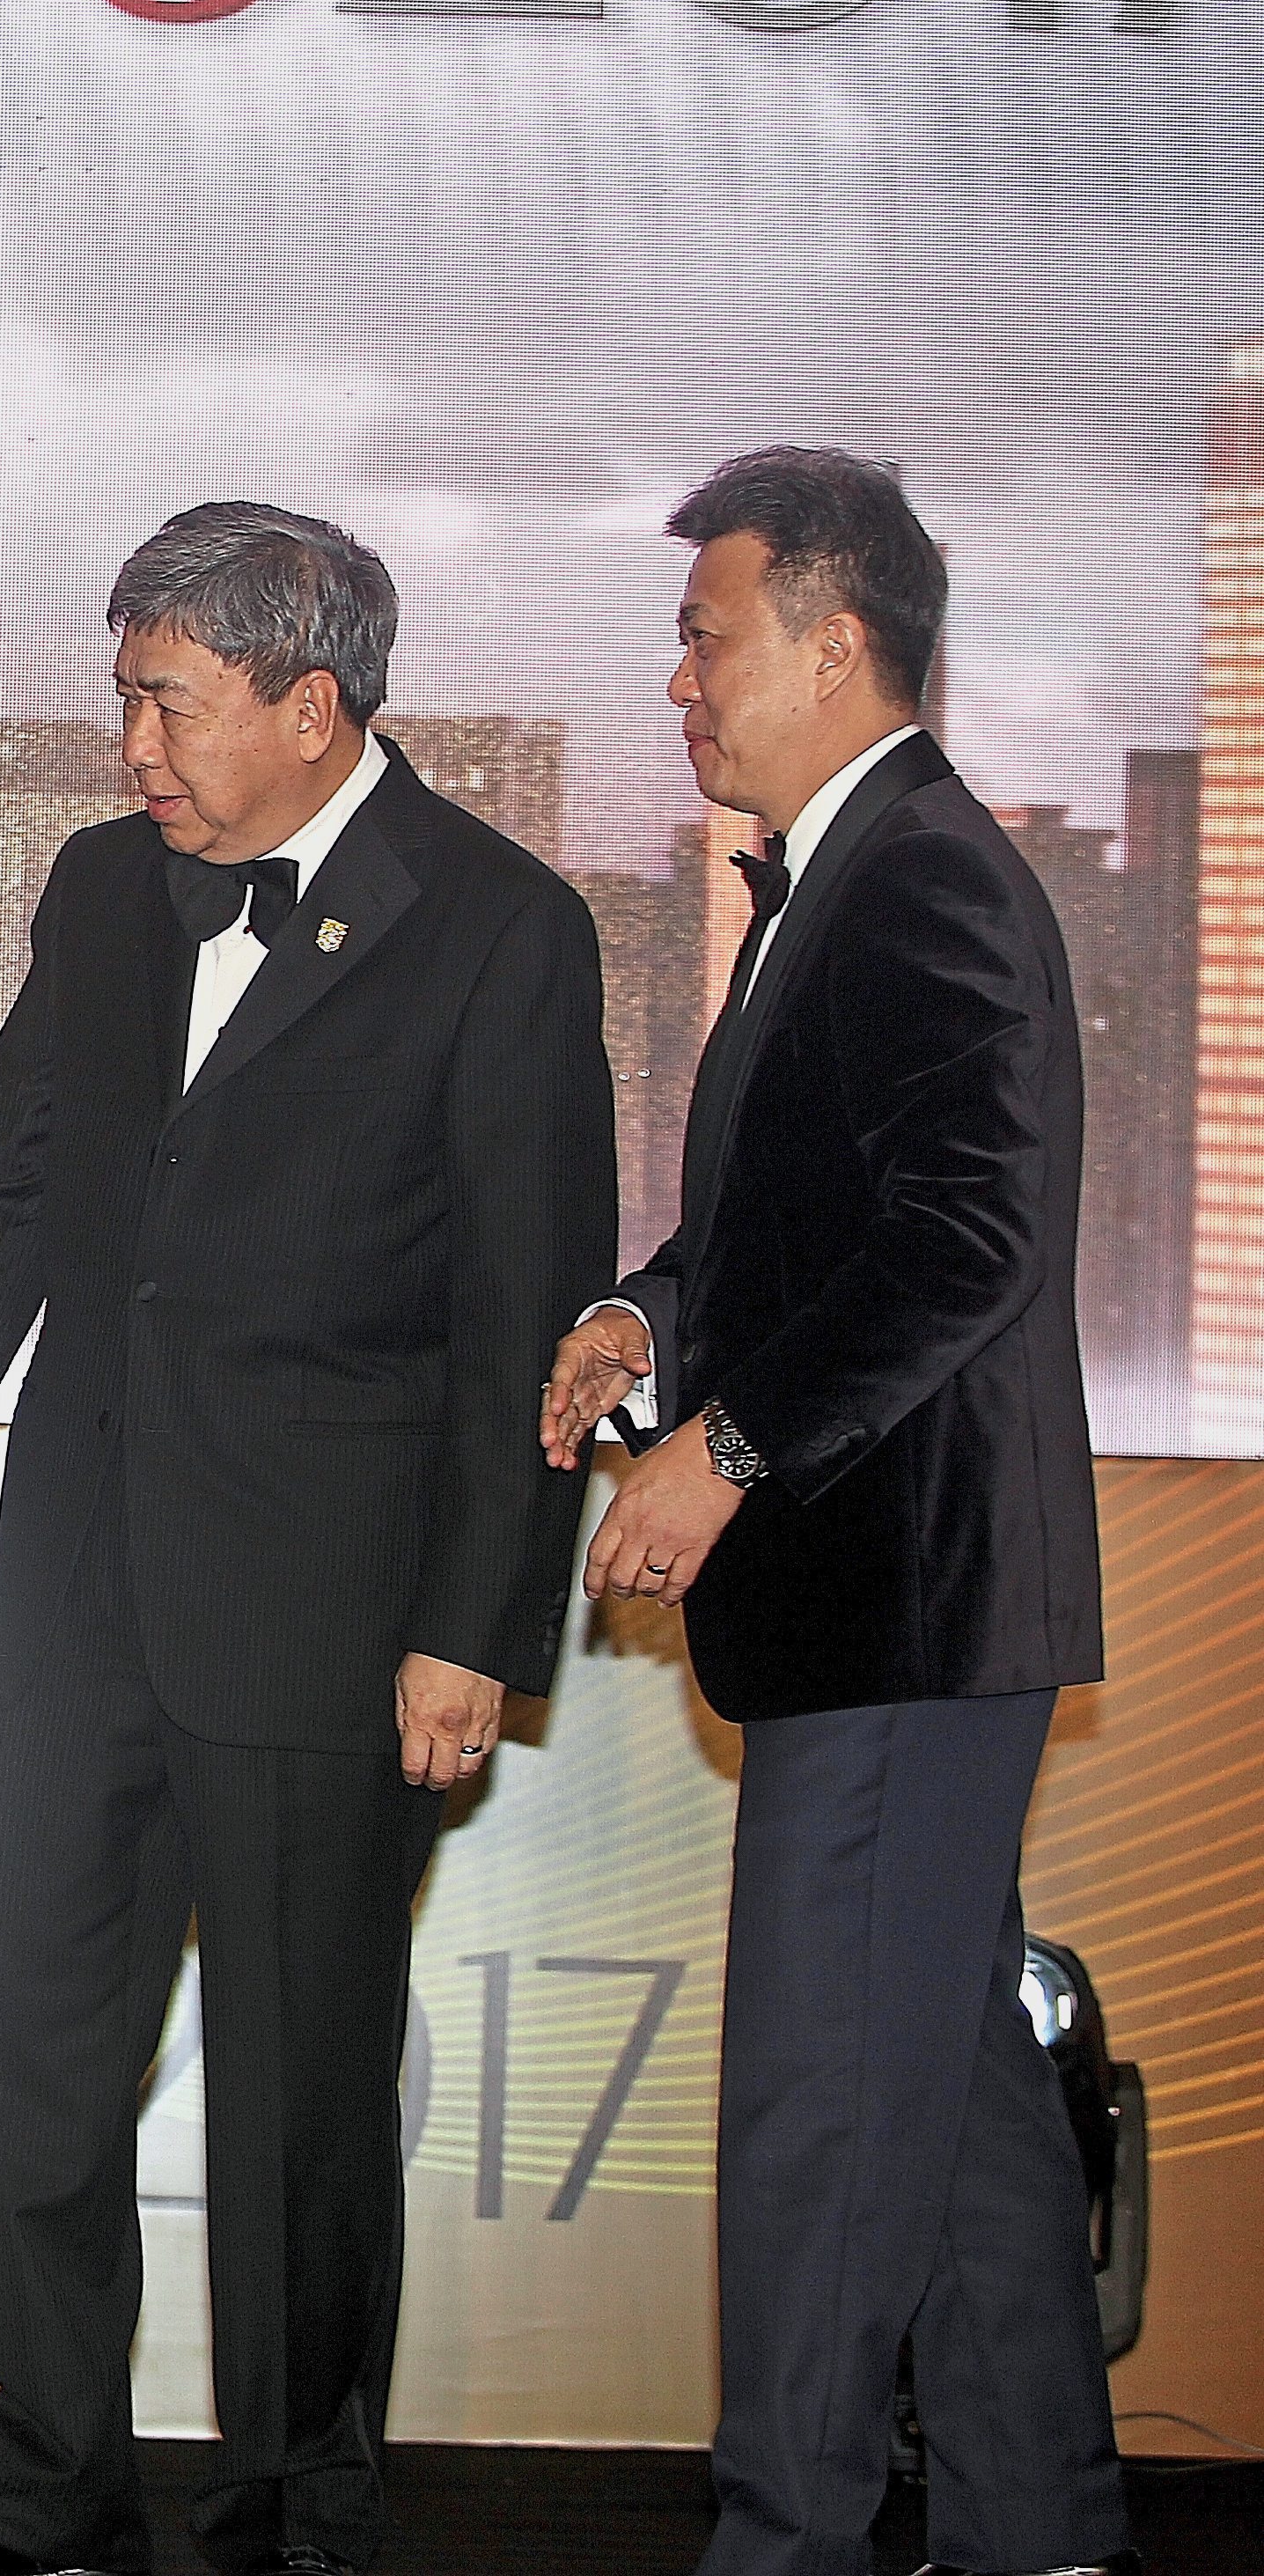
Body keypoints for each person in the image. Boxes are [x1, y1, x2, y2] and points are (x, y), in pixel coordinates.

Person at [0, 505, 614, 2576]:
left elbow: (525, 1317)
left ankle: (296, 2501)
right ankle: (50, 2478)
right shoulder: (103, 892)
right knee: (39, 2060)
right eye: (124, 703)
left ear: (309, 700)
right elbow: (6, 1183)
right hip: (84, 1584)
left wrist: (476, 1627)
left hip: (330, 1614)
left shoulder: (501, 926)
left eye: (167, 705)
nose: (135, 752)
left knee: (298, 2106)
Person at [541, 448, 1135, 2576]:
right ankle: (1042, 2529)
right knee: (951, 2115)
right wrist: (644, 1315)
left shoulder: (932, 877)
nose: (679, 682)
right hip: (890, 1614)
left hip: (899, 1599)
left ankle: (778, 2548)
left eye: (706, 639)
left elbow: (972, 1235)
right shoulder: (849, 875)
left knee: (818, 2137)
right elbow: (799, 1230)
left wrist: (733, 1446)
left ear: (834, 638)